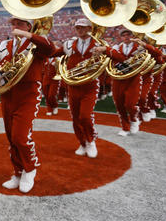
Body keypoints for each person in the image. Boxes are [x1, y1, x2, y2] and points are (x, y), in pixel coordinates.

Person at [0, 17, 55, 193]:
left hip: (28, 93)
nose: (15, 27)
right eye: (13, 24)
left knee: (20, 136)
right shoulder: (4, 45)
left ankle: (30, 169)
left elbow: (50, 49)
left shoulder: (35, 43)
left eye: (20, 24)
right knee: (11, 136)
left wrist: (28, 35)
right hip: (8, 94)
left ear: (28, 26)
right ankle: (17, 172)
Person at [52, 19, 101, 158]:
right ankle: (82, 143)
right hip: (73, 86)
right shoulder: (68, 44)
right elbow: (54, 53)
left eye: (83, 27)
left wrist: (105, 50)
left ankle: (91, 141)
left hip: (90, 86)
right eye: (77, 28)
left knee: (85, 116)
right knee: (75, 118)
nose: (79, 30)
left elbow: (114, 57)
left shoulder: (98, 44)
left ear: (89, 28)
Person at [94, 28, 141, 136]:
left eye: (128, 34)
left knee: (130, 104)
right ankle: (125, 127)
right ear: (121, 37)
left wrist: (106, 49)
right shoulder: (116, 47)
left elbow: (121, 58)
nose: (126, 37)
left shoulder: (139, 47)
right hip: (118, 79)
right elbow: (110, 58)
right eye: (124, 35)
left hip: (133, 79)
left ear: (132, 36)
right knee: (119, 105)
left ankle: (134, 119)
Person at [43, 43, 61, 116]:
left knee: (51, 95)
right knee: (46, 95)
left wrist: (56, 65)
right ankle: (49, 109)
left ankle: (55, 106)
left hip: (54, 80)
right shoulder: (45, 58)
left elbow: (61, 70)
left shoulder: (58, 59)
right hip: (45, 79)